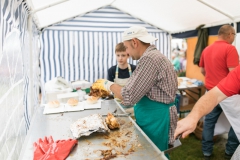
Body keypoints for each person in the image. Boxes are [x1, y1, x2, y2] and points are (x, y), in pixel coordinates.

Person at [94, 26, 178, 153]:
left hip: (157, 118)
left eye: (126, 48)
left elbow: (128, 96)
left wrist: (107, 84)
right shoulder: (152, 56)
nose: (127, 53)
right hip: (154, 115)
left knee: (155, 154)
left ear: (134, 42)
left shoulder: (149, 59)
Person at [174, 65, 240, 159]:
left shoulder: (207, 50)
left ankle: (208, 152)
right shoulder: (230, 52)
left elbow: (202, 70)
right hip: (224, 96)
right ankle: (228, 151)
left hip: (214, 90)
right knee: (232, 124)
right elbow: (215, 95)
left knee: (210, 123)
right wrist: (192, 117)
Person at [199, 24, 239, 159]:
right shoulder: (230, 48)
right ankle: (230, 151)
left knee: (209, 121)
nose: (234, 37)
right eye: (234, 34)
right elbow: (234, 74)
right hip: (227, 93)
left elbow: (202, 71)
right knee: (237, 121)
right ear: (229, 35)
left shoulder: (207, 49)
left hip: (211, 91)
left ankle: (206, 152)